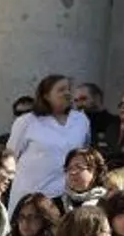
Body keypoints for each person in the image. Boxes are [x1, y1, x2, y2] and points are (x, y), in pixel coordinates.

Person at [8, 75, 91, 212]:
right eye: (61, 90)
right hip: (31, 195)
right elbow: (11, 156)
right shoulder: (26, 121)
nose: (67, 93)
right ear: (46, 95)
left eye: (69, 89)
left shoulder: (81, 120)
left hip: (66, 197)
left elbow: (85, 153)